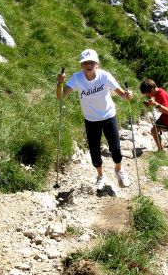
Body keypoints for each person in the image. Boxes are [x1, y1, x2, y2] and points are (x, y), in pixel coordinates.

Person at [57, 49, 133, 190]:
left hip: (108, 116)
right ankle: (100, 176)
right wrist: (59, 83)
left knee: (115, 148)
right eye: (85, 63)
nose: (88, 65)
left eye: (91, 62)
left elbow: (122, 94)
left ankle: (119, 170)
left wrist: (127, 95)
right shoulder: (77, 77)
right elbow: (61, 96)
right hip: (91, 120)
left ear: (97, 64)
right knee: (94, 150)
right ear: (81, 66)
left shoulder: (105, 76)